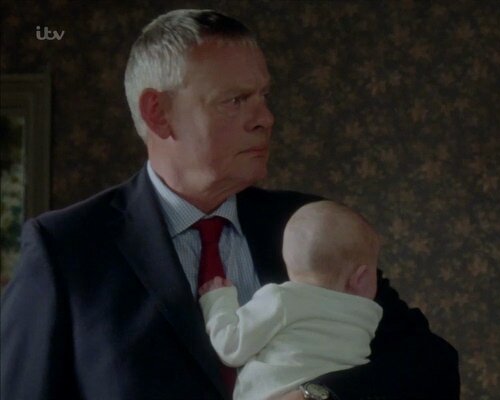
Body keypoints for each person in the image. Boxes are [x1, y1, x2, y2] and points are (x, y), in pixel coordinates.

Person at [0, 9, 459, 400]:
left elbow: (433, 368)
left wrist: (315, 397)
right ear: (158, 113)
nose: (265, 118)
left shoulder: (310, 227)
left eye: (263, 96)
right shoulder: (66, 248)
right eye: (235, 100)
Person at [199, 200, 384, 400]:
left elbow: (231, 348)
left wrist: (218, 300)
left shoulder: (282, 299)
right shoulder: (368, 316)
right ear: (361, 278)